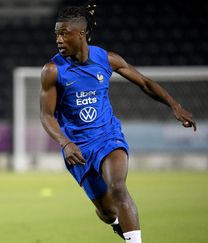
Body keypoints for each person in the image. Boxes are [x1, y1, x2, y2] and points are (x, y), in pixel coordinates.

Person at [39, 2, 196, 243]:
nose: (58, 39)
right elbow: (46, 115)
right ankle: (115, 223)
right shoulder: (52, 70)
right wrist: (65, 143)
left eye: (64, 33)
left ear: (81, 34)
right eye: (56, 34)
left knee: (118, 187)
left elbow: (144, 82)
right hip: (77, 148)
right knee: (106, 211)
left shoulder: (106, 59)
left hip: (108, 137)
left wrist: (174, 105)